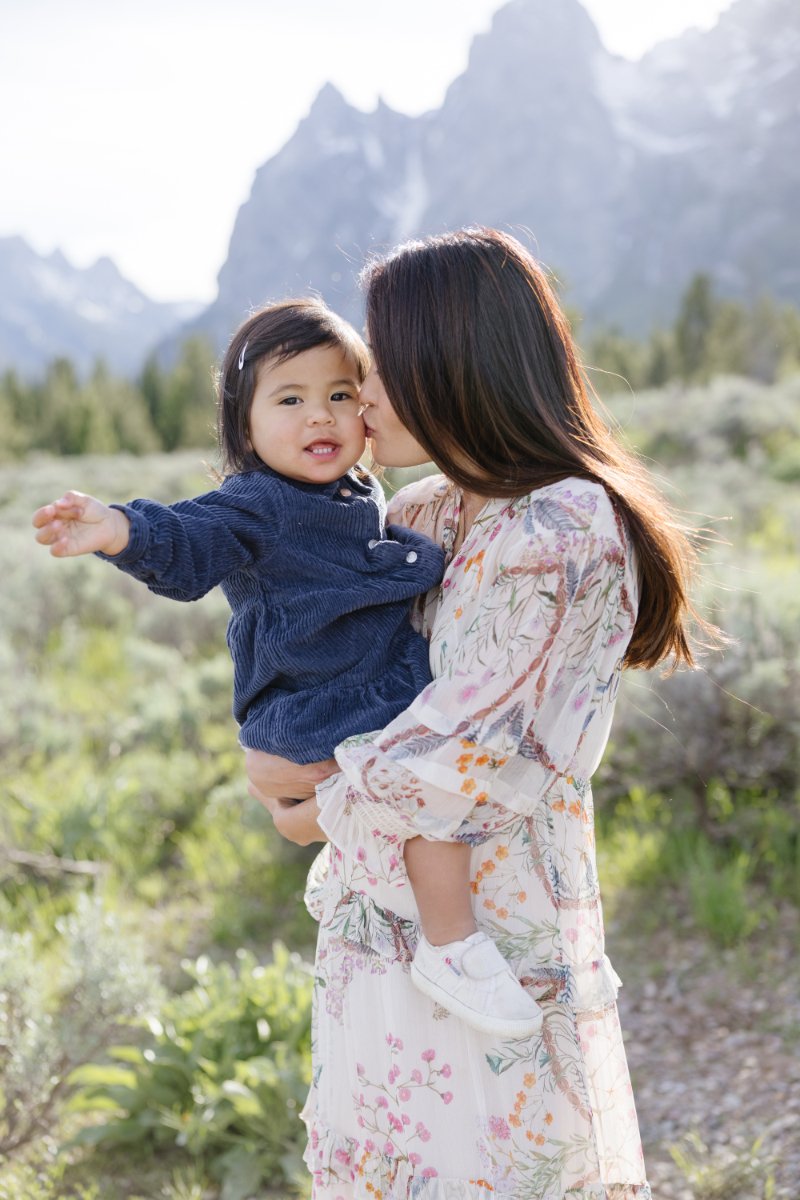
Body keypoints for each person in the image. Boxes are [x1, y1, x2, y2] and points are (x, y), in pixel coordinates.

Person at [245, 228, 709, 1198]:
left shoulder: (559, 526)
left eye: (372, 371)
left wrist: (307, 795)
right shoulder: (437, 510)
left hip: (490, 935)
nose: (359, 399)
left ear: (445, 365)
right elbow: (315, 629)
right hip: (392, 934)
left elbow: (452, 754)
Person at [31, 297, 541, 1040]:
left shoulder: (358, 490)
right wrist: (121, 529)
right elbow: (189, 541)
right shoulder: (256, 505)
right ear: (246, 426)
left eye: (340, 395)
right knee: (432, 790)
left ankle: (372, 880)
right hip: (322, 703)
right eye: (291, 399)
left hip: (365, 682)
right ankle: (452, 943)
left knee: (423, 770)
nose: (321, 417)